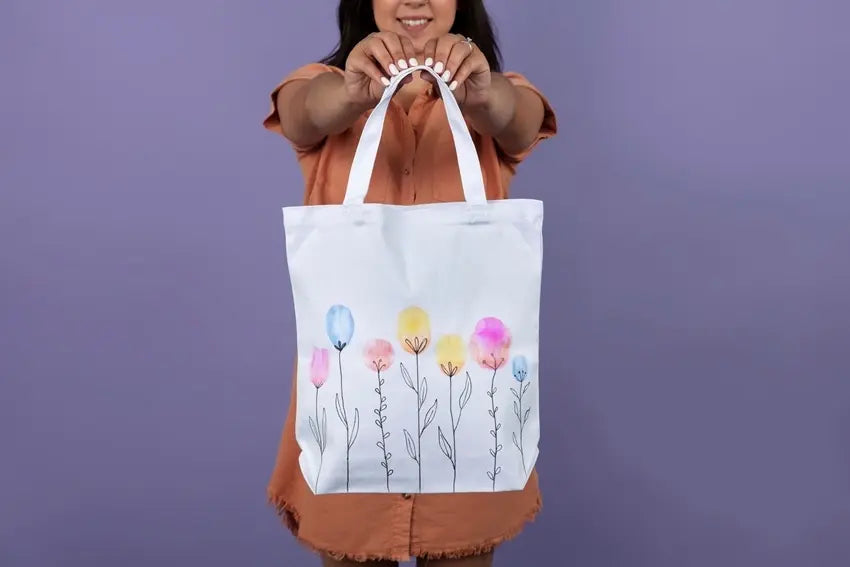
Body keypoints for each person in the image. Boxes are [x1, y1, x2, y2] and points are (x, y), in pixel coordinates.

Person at [261, 1, 557, 565]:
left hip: (467, 427)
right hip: (351, 421)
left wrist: (481, 91)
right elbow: (303, 114)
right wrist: (352, 92)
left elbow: (518, 118)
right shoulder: (324, 85)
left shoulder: (495, 93)